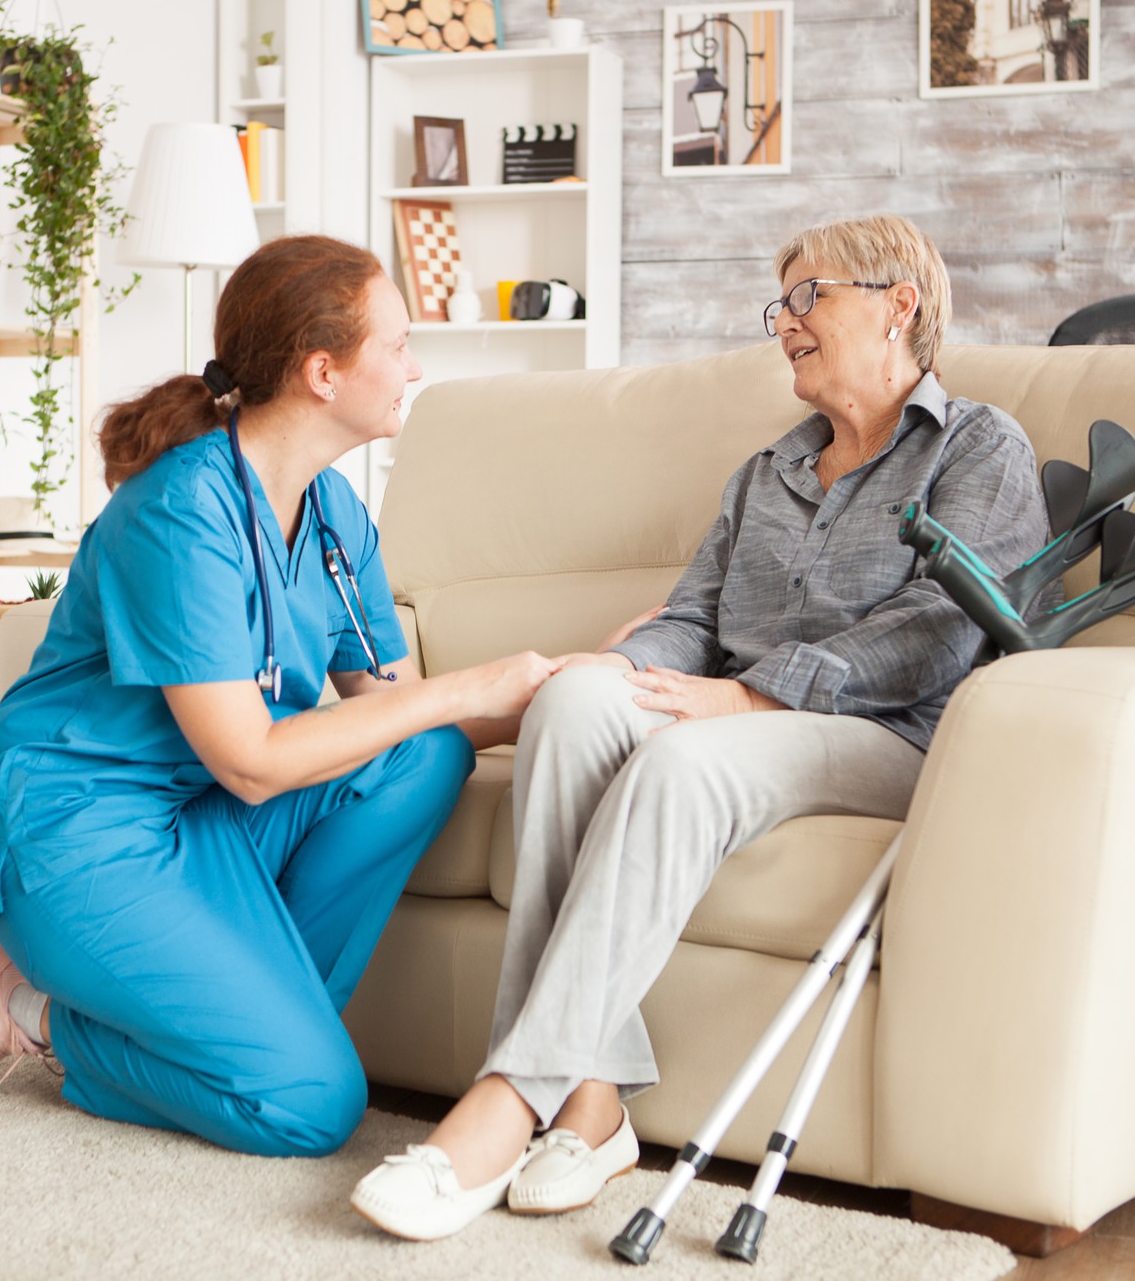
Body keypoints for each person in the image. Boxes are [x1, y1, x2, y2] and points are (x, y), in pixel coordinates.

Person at [351, 214, 1052, 1241]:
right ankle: (590, 1103)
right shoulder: (766, 472)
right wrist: (622, 667)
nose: (786, 324)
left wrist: (755, 693)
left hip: (895, 739)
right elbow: (692, 616)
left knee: (683, 762)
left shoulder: (979, 446)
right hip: (743, 717)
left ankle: (503, 1105)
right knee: (575, 703)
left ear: (900, 302)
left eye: (808, 297)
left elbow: (942, 628)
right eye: (781, 307)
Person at [0, 235, 561, 1159]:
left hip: (197, 821)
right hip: (78, 833)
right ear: (322, 371)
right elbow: (252, 763)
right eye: (399, 345)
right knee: (310, 1105)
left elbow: (408, 713)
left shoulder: (336, 518)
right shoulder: (181, 510)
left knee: (428, 750)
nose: (415, 368)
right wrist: (470, 682)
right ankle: (20, 1008)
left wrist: (570, 683)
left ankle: (248, 1033)